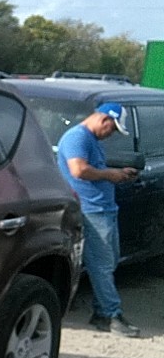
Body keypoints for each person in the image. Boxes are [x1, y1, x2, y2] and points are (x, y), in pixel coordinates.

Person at [56, 102, 142, 338]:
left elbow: (91, 169)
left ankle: (101, 311)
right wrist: (109, 175)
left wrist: (117, 174)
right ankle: (110, 315)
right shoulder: (77, 138)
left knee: (108, 262)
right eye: (112, 129)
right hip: (91, 211)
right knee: (102, 266)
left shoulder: (90, 140)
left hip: (103, 209)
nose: (110, 135)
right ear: (105, 120)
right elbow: (79, 170)